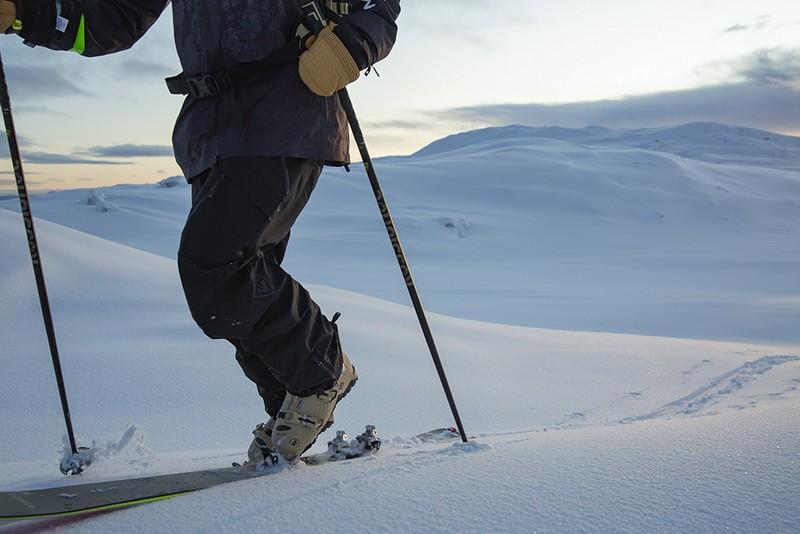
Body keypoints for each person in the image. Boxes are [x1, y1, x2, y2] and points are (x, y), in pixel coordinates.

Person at [1, 0, 401, 463]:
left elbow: (379, 7)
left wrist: (352, 44)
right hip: (213, 130)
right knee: (243, 281)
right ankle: (292, 401)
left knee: (216, 268)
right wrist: (21, 13)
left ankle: (320, 373)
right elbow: (113, 20)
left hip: (286, 110)